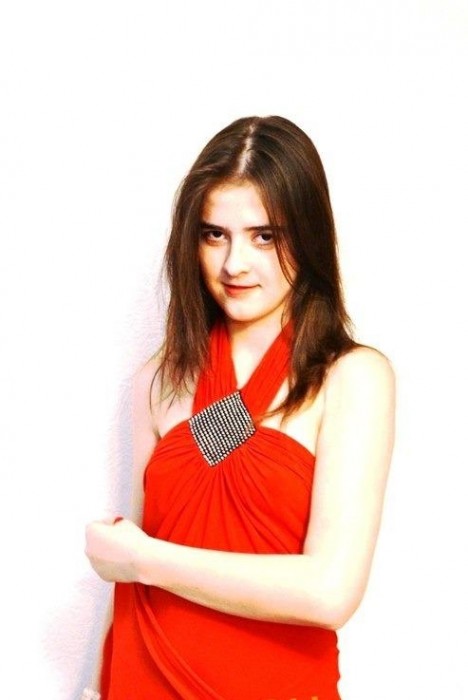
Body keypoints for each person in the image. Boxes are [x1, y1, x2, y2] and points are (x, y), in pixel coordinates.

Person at [84, 115, 395, 700]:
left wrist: (145, 560)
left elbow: (329, 591)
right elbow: (130, 558)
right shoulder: (159, 380)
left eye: (264, 236)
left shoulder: (351, 378)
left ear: (308, 234)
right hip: (140, 676)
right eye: (214, 235)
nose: (234, 264)